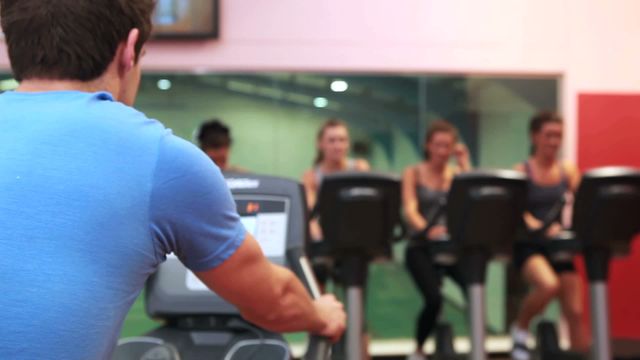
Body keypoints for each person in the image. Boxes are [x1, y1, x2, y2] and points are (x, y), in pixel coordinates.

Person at [0, 1, 345, 359]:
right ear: (129, 49)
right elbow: (273, 302)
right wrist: (321, 315)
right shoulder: (161, 159)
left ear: (11, 43)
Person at [510, 111, 589, 360]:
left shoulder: (567, 170)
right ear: (535, 137)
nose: (554, 141)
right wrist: (536, 224)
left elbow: (586, 202)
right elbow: (517, 211)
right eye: (548, 135)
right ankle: (520, 329)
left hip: (557, 245)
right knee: (548, 285)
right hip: (529, 245)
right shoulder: (522, 170)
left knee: (575, 311)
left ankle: (584, 354)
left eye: (558, 136)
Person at [401, 120, 471, 360]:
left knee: (474, 287)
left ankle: (477, 346)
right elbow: (410, 209)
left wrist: (464, 164)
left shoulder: (456, 176)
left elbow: (472, 201)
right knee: (434, 299)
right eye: (438, 145)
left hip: (450, 247)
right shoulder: (414, 172)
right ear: (428, 146)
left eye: (448, 146)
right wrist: (427, 230)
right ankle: (419, 350)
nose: (443, 151)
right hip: (421, 247)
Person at [301, 118, 370, 277]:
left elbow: (366, 210)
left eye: (342, 140)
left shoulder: (360, 168)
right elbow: (311, 215)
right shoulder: (311, 177)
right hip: (325, 239)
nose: (337, 146)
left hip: (354, 239)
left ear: (348, 143)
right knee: (319, 269)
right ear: (320, 144)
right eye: (331, 141)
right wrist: (319, 240)